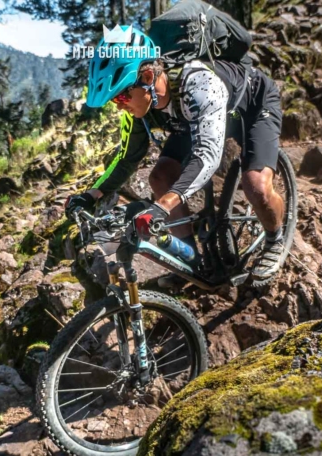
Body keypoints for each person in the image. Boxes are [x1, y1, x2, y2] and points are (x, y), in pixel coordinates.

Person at [65, 26, 286, 283]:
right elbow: (126, 158)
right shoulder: (141, 108)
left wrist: (163, 206)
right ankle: (191, 260)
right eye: (115, 101)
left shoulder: (199, 83)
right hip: (195, 118)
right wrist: (90, 195)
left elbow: (207, 155)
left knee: (256, 186)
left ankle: (275, 240)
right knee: (160, 177)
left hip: (252, 105)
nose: (121, 106)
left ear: (148, 76)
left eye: (122, 95)